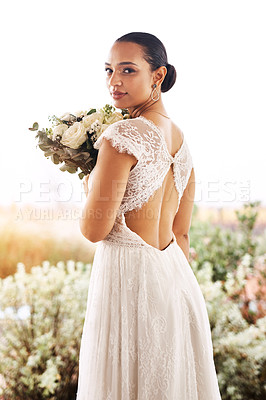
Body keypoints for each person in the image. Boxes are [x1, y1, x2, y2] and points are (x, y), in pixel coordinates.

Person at [76, 32, 222, 400]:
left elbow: (94, 230)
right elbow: (181, 233)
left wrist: (88, 181)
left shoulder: (122, 134)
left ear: (158, 76)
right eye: (109, 70)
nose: (114, 81)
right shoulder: (183, 143)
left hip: (127, 281)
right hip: (174, 282)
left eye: (127, 70)